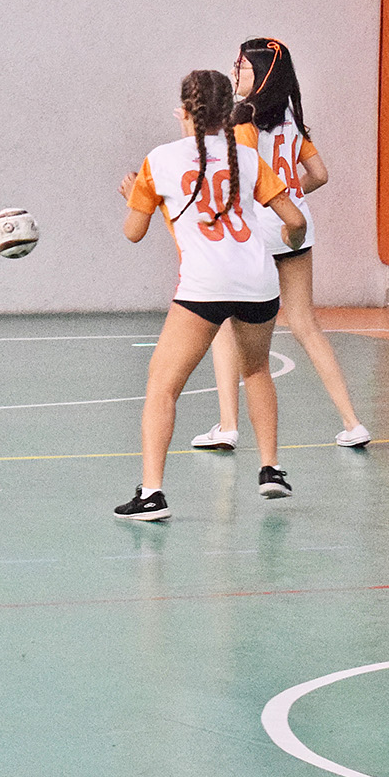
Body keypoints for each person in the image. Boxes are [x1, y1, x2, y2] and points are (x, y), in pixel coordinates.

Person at [114, 69, 307, 522]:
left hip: (205, 285)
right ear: (228, 114)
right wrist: (291, 242)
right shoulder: (247, 158)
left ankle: (152, 494)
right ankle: (271, 469)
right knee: (256, 370)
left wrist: (133, 198)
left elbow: (133, 233)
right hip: (258, 282)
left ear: (183, 112)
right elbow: (296, 221)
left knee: (163, 385)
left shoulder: (159, 160)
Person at [191, 38, 371, 451]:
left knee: (225, 325)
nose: (233, 71)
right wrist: (289, 199)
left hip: (256, 232)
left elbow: (240, 180)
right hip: (296, 228)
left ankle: (228, 426)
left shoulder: (243, 120)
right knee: (305, 324)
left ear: (260, 74)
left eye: (240, 66)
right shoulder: (289, 117)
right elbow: (319, 174)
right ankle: (352, 422)